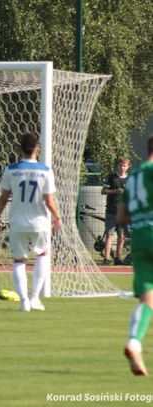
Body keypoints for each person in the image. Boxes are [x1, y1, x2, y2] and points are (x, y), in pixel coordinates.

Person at [0, 133, 61, 312]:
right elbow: (49, 201)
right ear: (38, 148)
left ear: (20, 148)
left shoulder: (11, 170)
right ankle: (35, 297)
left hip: (18, 223)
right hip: (40, 223)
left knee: (19, 260)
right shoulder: (46, 171)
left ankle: (23, 301)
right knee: (42, 255)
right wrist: (57, 217)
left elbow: (3, 199)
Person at [116, 136, 153, 376]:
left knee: (147, 299)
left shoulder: (132, 179)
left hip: (139, 238)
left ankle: (134, 343)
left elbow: (120, 219)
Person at [101, 156, 130, 265]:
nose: (122, 167)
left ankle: (118, 258)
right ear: (117, 166)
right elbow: (103, 191)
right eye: (120, 165)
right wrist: (114, 191)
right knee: (109, 234)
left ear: (127, 167)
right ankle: (107, 258)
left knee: (121, 236)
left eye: (124, 165)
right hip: (111, 211)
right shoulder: (111, 178)